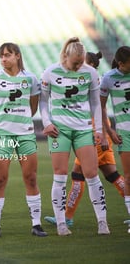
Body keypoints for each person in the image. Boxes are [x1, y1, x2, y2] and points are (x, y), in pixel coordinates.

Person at [44, 51, 125, 227]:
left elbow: (100, 109)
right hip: (91, 131)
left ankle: (68, 217)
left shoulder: (90, 80)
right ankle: (68, 216)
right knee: (111, 174)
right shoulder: (79, 79)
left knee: (84, 175)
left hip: (92, 132)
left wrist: (104, 134)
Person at [40, 37, 110, 236]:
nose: (79, 65)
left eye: (81, 62)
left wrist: (98, 131)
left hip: (83, 129)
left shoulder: (90, 72)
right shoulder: (50, 72)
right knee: (60, 175)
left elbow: (96, 103)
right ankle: (61, 223)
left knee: (92, 174)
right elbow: (43, 103)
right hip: (59, 130)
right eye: (75, 62)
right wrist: (47, 123)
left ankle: (102, 222)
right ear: (65, 56)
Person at [0, 42, 47, 238]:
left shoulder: (31, 79)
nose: (3, 59)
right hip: (2, 134)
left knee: (31, 178)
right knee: (0, 179)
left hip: (25, 134)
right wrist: (4, 124)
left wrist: (20, 121)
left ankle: (36, 224)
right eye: (1, 56)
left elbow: (33, 107)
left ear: (17, 56)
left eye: (7, 55)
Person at [100, 46, 130, 233]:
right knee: (128, 177)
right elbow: (100, 107)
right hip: (124, 133)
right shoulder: (108, 78)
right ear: (121, 64)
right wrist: (109, 131)